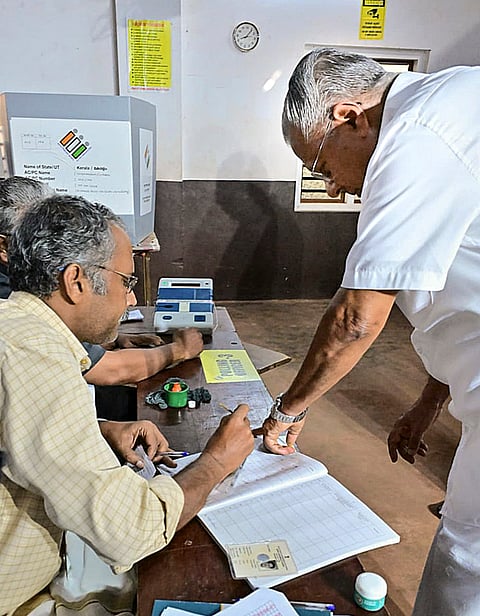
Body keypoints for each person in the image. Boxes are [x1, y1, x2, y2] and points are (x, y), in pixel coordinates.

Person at [259, 47, 480, 615]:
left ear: (347, 116)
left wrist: (288, 411)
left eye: (321, 166)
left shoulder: (417, 136)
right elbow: (460, 291)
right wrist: (431, 400)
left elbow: (358, 316)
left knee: (467, 555)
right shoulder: (449, 104)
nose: (332, 186)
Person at [0, 194, 254, 614]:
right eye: (127, 282)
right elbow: (131, 531)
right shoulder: (33, 350)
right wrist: (215, 463)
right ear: (76, 281)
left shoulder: (16, 326)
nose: (132, 301)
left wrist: (98, 427)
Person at [0, 176, 203, 420]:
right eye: (37, 232)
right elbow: (107, 370)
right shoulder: (31, 338)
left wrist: (106, 428)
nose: (131, 301)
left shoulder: (32, 306)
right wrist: (179, 350)